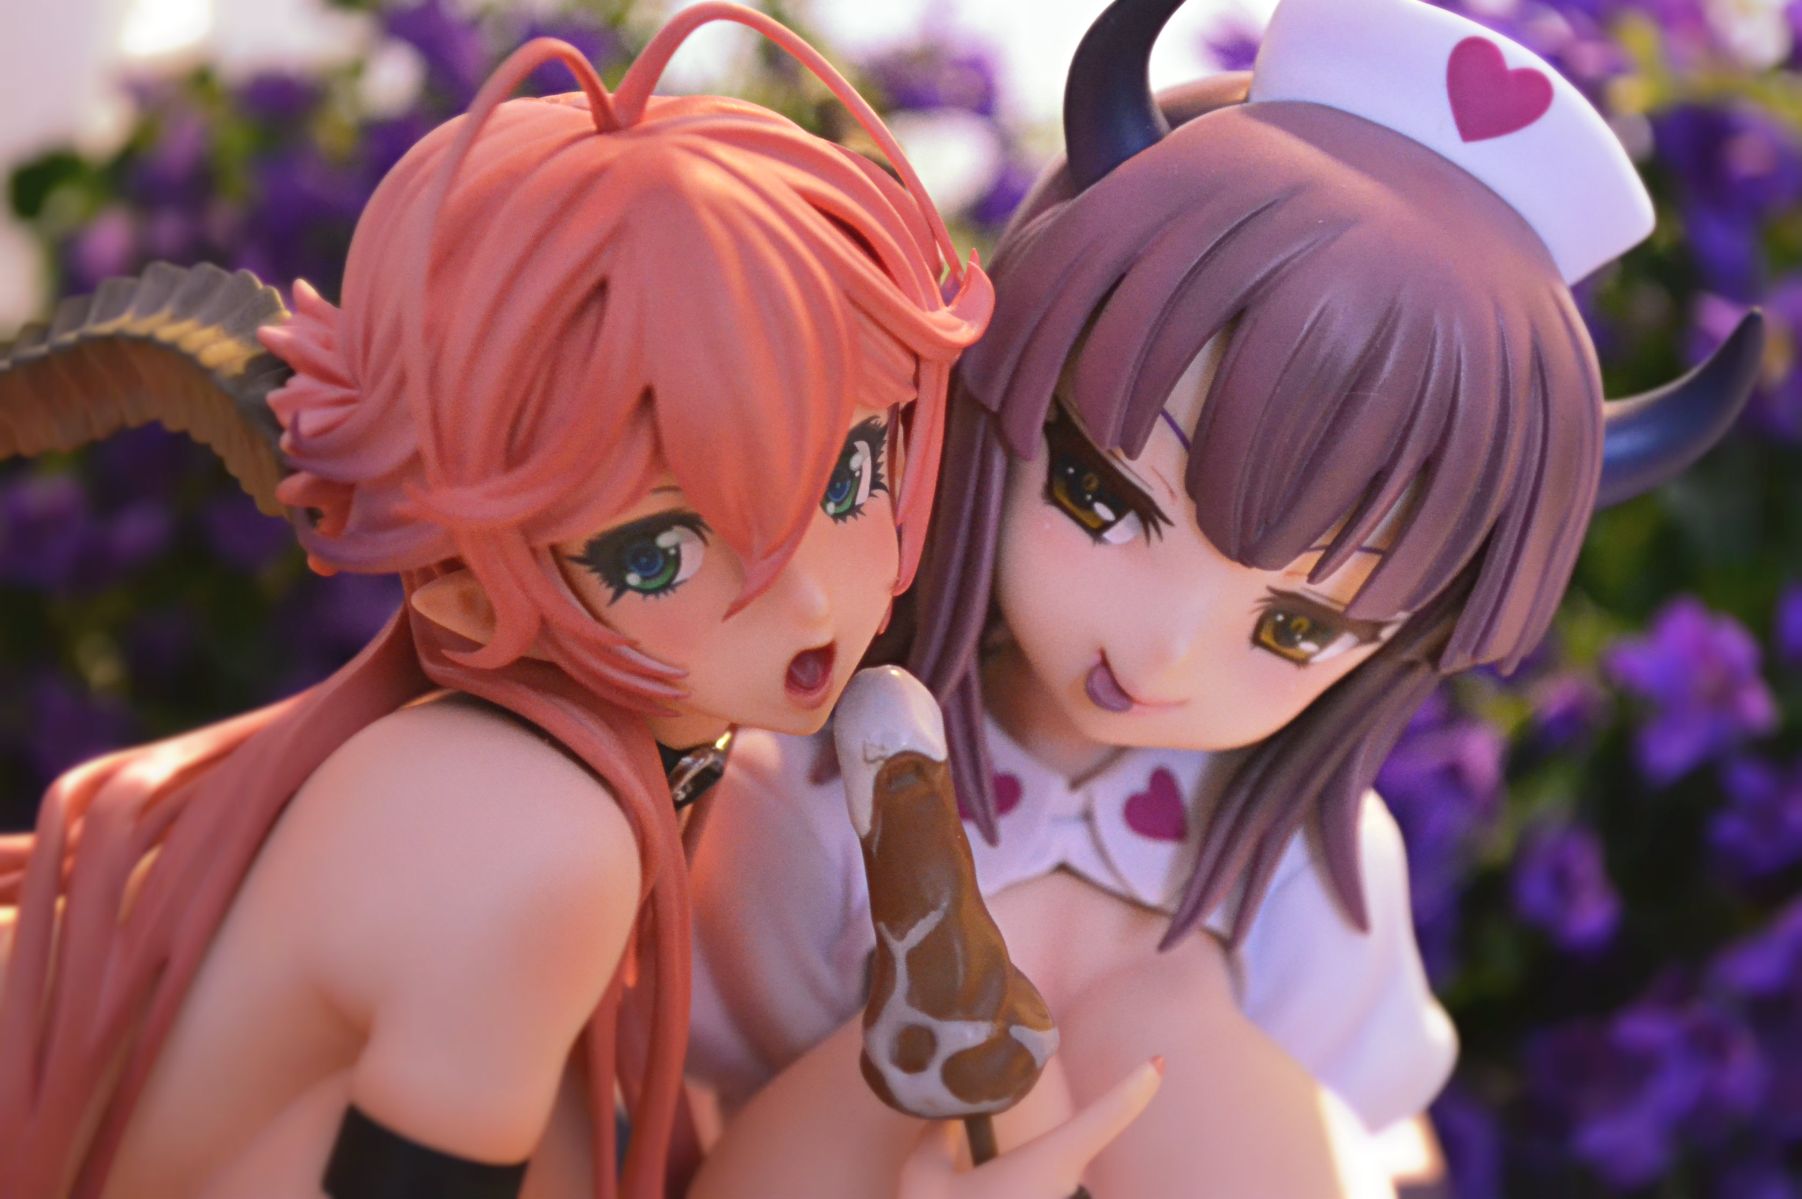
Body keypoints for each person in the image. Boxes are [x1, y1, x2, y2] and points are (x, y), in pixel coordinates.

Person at [683, 0, 1763, 1195]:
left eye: (1299, 626)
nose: (1166, 649)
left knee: (1163, 1008)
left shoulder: (1296, 861)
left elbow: (1375, 1135)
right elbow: (693, 1103)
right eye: (1100, 497)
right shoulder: (806, 796)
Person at [0, 6, 996, 1196]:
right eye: (655, 552)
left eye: (850, 470)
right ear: (467, 598)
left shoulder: (583, 770)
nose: (815, 599)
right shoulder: (534, 832)